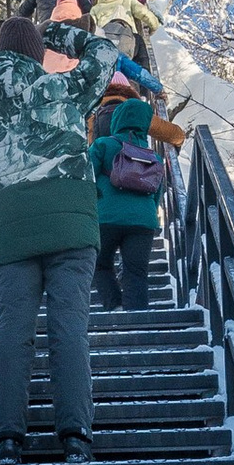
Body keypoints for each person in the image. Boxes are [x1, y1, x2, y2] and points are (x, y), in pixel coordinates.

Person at [0, 0, 121, 460]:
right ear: (34, 51)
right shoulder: (59, 89)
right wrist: (57, 34)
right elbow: (105, 55)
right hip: (70, 220)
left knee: (13, 328)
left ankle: (7, 437)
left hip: (13, 228)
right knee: (68, 326)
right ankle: (75, 435)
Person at [90, 78, 186, 311]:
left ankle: (114, 306)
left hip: (106, 218)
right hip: (143, 222)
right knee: (137, 272)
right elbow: (157, 190)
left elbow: (87, 177)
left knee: (100, 266)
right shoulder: (153, 155)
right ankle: (137, 317)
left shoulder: (102, 144)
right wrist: (149, 215)